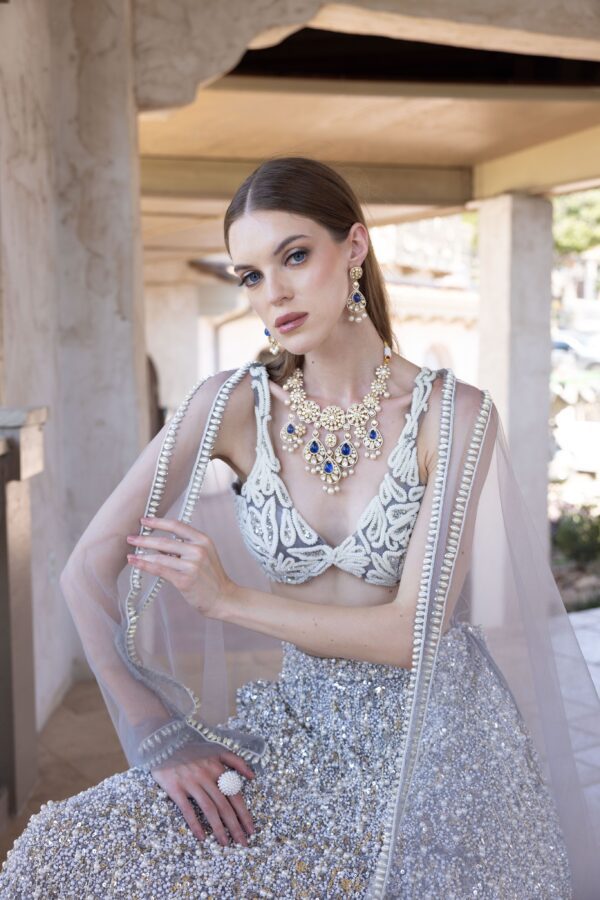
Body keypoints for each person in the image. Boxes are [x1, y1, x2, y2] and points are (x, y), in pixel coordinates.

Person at [1, 156, 598, 899]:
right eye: (249, 275)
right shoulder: (231, 407)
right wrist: (154, 735)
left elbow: (414, 633)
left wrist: (225, 599)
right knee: (56, 854)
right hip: (301, 731)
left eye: (294, 256)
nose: (272, 293)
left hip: (438, 746)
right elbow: (84, 570)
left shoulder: (455, 414)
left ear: (355, 247)